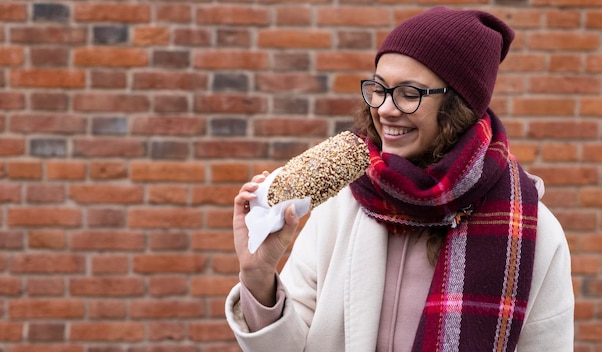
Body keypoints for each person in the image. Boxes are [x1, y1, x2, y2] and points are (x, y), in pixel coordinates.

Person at [225, 6, 574, 352]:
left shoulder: (533, 233)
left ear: (459, 107)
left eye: (410, 93)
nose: (386, 109)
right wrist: (258, 275)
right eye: (379, 89)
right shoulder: (341, 206)